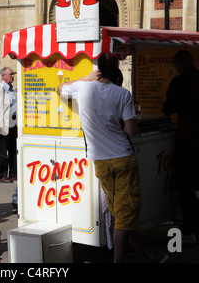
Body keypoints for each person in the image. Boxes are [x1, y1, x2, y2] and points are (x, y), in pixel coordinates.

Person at [57, 53, 156, 263]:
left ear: (99, 75)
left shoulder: (83, 88)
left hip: (100, 161)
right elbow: (131, 130)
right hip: (123, 158)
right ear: (117, 78)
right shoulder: (122, 94)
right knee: (126, 213)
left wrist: (85, 78)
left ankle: (146, 258)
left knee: (118, 212)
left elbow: (59, 88)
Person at [163, 50, 199, 243]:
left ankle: (190, 228)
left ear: (179, 64)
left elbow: (168, 109)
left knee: (187, 183)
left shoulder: (179, 81)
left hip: (189, 137)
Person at [0, 67, 17, 183]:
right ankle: (1, 175)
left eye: (13, 74)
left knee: (13, 150)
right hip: (3, 124)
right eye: (11, 74)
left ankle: (13, 173)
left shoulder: (12, 89)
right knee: (2, 151)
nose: (13, 76)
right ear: (3, 76)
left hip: (13, 123)